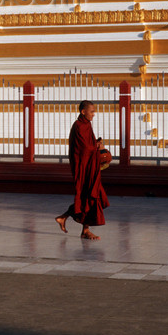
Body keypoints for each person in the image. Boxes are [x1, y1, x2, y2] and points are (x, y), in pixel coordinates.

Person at [55, 100, 109, 240]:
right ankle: (80, 227)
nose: (94, 114)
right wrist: (97, 147)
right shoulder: (78, 126)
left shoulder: (87, 124)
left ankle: (71, 221)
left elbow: (88, 144)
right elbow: (84, 148)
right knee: (87, 196)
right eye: (91, 111)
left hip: (90, 165)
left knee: (91, 196)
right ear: (83, 112)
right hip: (82, 167)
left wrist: (96, 143)